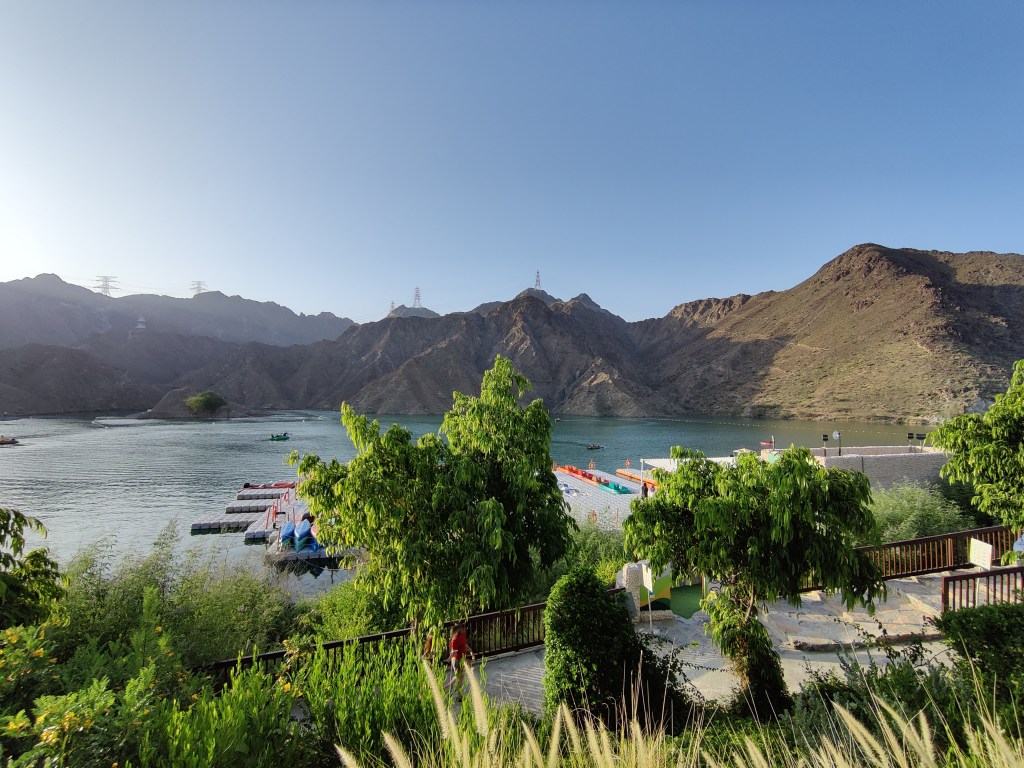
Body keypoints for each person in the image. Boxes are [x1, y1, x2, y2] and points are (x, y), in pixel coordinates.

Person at [445, 623, 474, 698]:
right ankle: (448, 686)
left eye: (464, 628)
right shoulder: (454, 639)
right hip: (456, 659)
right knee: (458, 675)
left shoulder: (463, 635)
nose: (464, 629)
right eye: (462, 628)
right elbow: (452, 651)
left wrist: (470, 651)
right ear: (458, 629)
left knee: (461, 678)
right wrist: (449, 658)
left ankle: (459, 696)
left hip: (462, 659)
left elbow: (464, 644)